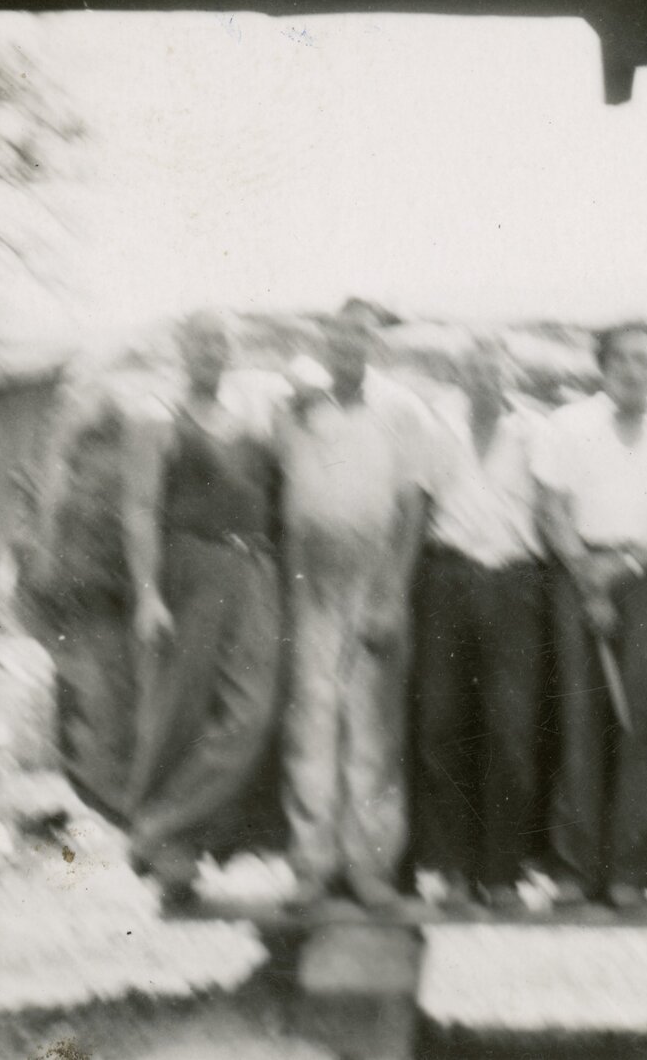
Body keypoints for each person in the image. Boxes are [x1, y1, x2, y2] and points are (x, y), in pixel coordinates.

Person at [532, 320, 647, 910]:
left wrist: (625, 571)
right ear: (603, 366)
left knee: (645, 722)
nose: (634, 370)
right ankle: (574, 867)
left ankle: (632, 870)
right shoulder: (566, 425)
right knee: (580, 714)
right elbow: (551, 509)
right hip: (579, 571)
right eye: (622, 359)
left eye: (645, 359)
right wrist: (587, 573)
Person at [121, 311, 286, 902]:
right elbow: (139, 508)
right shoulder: (157, 417)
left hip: (254, 570)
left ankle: (158, 827)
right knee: (182, 711)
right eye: (201, 341)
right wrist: (147, 594)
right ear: (181, 348)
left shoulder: (253, 419)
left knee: (252, 715)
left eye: (221, 341)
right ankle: (175, 854)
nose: (212, 351)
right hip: (193, 569)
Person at [274, 307, 436, 907]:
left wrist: (393, 592)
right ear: (324, 345)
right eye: (337, 337)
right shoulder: (295, 410)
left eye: (359, 338)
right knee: (312, 724)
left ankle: (370, 868)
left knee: (372, 729)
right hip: (311, 575)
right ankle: (312, 866)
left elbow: (413, 508)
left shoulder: (403, 410)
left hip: (374, 575)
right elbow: (287, 496)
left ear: (375, 347)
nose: (347, 347)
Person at [411, 333, 549, 908]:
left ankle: (502, 873)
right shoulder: (437, 427)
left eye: (495, 368)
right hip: (448, 578)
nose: (486, 377)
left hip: (514, 582)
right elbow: (419, 508)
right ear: (461, 373)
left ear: (511, 373)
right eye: (475, 368)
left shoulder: (536, 431)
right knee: (442, 723)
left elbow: (552, 510)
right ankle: (452, 869)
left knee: (511, 729)